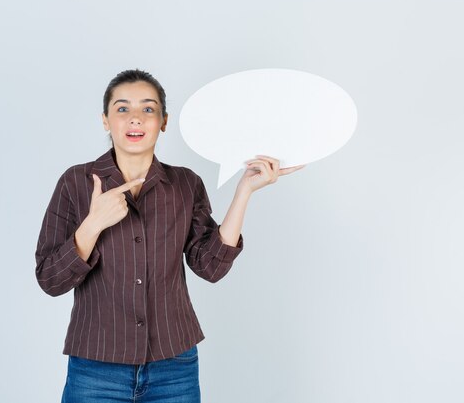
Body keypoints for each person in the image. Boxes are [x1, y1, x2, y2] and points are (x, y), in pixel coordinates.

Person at [35, 69, 305, 403]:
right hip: (96, 368)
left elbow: (210, 267)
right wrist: (92, 224)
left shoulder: (185, 184)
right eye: (122, 109)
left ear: (163, 121)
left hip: (174, 368)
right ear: (105, 120)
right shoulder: (76, 182)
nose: (136, 118)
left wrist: (244, 191)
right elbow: (49, 279)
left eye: (148, 109)